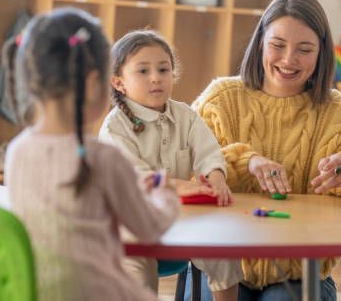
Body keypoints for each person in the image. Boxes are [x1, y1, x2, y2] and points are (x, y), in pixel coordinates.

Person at [191, 0, 341, 300]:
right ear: (260, 43)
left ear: (322, 53)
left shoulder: (336, 111)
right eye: (277, 45)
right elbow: (189, 172)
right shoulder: (220, 99)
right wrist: (247, 162)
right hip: (222, 269)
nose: (288, 60)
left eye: (304, 49)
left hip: (301, 273)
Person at [4, 7, 180, 301]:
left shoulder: (17, 152)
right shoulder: (103, 158)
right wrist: (165, 197)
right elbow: (149, 228)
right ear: (92, 83)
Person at [99, 30, 243, 301]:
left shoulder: (185, 115)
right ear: (119, 83)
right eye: (143, 71)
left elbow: (208, 152)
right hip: (129, 229)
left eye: (163, 69)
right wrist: (180, 186)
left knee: (222, 249)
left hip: (179, 220)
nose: (156, 77)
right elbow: (135, 178)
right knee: (137, 267)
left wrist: (216, 178)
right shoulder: (114, 127)